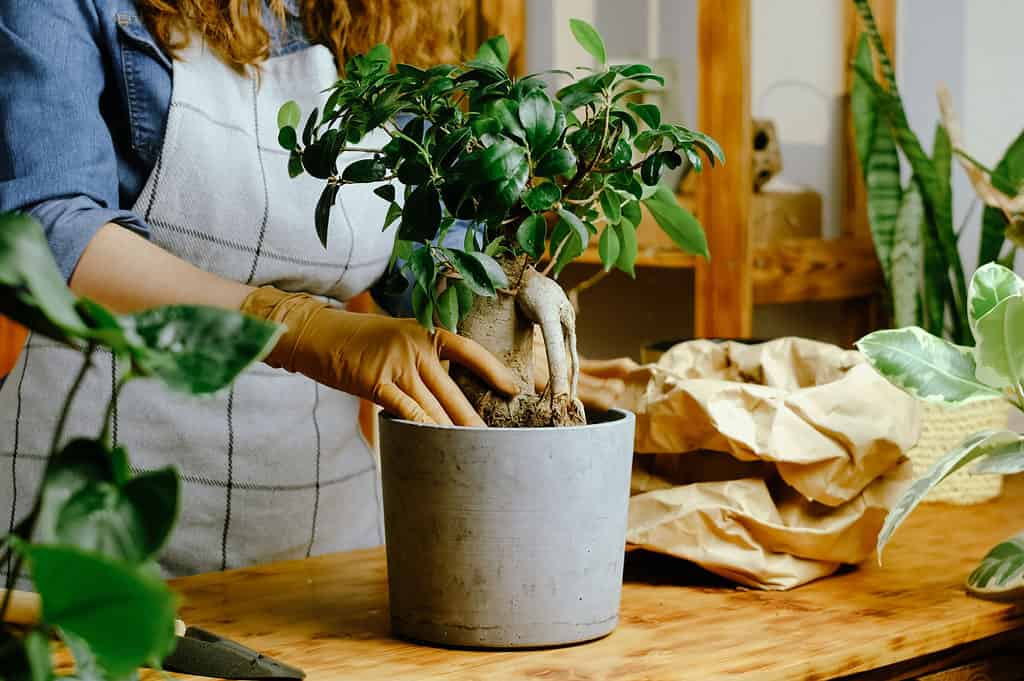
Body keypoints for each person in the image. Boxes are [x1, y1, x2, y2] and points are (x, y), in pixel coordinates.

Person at [0, 0, 634, 580]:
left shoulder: (375, 20)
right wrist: (292, 327)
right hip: (90, 542)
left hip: (319, 552)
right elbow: (45, 229)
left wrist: (514, 337)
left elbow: (424, 256)